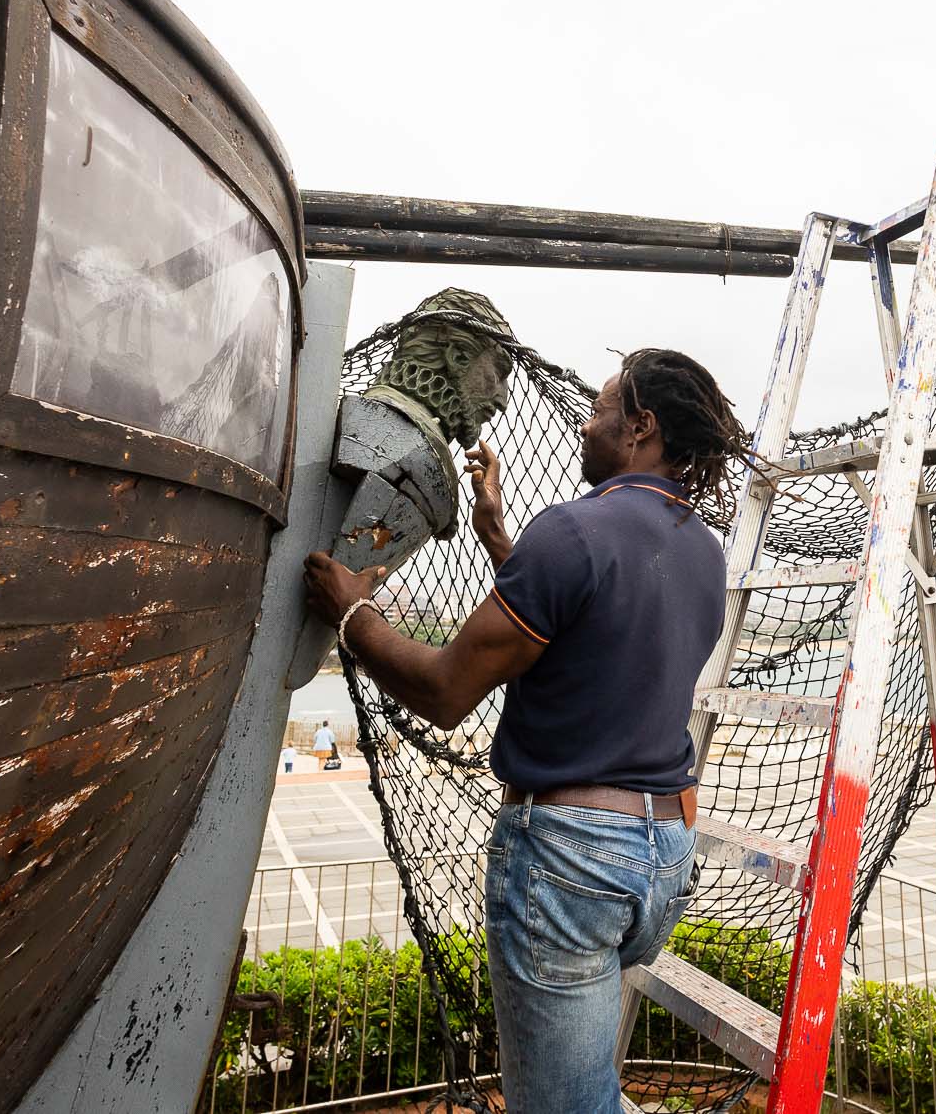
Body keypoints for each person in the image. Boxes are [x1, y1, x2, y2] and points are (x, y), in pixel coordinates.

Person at [302, 348, 738, 1114]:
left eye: (603, 409)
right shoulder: (704, 550)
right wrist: (502, 539)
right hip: (663, 857)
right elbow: (590, 635)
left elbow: (444, 691)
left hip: (572, 861)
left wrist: (351, 610)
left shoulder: (572, 530)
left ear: (641, 427)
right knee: (590, 1085)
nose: (586, 419)